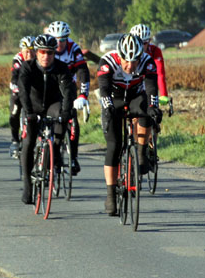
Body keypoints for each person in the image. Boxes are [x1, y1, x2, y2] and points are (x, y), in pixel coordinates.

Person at [97, 33, 160, 216]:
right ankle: (110, 195)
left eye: (134, 61)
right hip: (114, 98)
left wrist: (153, 107)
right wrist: (108, 109)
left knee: (146, 110)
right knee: (114, 146)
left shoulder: (147, 62)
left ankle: (140, 152)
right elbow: (104, 90)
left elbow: (151, 89)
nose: (130, 65)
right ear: (119, 55)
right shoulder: (107, 61)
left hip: (135, 96)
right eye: (126, 60)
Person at [17, 34, 75, 204]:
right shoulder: (27, 67)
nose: (46, 56)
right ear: (36, 52)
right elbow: (23, 92)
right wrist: (28, 113)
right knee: (28, 142)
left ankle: (53, 157)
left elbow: (67, 92)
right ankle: (27, 184)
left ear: (54, 54)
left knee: (59, 125)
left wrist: (65, 112)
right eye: (42, 52)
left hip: (53, 105)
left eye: (50, 53)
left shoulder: (62, 68)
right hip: (33, 107)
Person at [44, 21, 90, 175]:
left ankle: (73, 157)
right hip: (49, 89)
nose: (59, 43)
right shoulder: (46, 49)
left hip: (67, 89)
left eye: (62, 40)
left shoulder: (73, 49)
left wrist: (83, 95)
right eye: (56, 39)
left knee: (73, 122)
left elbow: (82, 71)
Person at [130, 24, 170, 108]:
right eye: (138, 43)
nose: (141, 46)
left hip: (148, 82)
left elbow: (160, 73)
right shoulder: (128, 52)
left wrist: (163, 94)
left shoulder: (155, 51)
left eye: (144, 43)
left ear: (149, 41)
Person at [9, 36, 35, 158]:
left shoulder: (39, 59)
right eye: (26, 51)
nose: (29, 54)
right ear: (21, 51)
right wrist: (15, 86)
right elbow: (14, 75)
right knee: (14, 111)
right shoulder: (18, 59)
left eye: (31, 50)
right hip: (19, 88)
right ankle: (14, 140)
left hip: (34, 90)